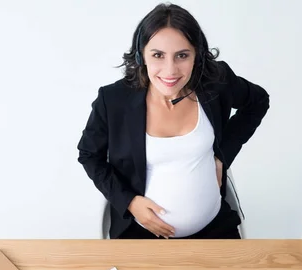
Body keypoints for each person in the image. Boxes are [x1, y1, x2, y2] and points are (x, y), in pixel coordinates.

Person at [77, 3, 269, 239]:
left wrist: (222, 156)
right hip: (141, 233)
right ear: (141, 55)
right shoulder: (114, 100)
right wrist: (129, 202)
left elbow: (257, 102)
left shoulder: (215, 83)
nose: (170, 71)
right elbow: (89, 155)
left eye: (182, 55)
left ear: (196, 55)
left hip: (214, 228)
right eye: (158, 55)